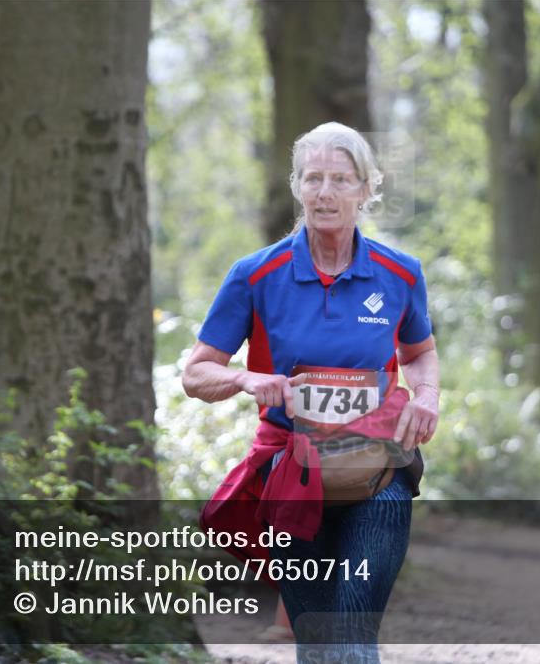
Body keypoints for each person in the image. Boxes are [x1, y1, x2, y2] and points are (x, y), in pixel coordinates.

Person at [183, 122, 439, 663]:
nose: (326, 192)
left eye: (341, 179)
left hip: (378, 468)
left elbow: (419, 355)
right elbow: (196, 373)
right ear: (297, 186)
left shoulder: (399, 273)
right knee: (317, 638)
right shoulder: (256, 274)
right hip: (290, 476)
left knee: (351, 629)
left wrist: (427, 396)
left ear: (367, 188)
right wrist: (246, 378)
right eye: (313, 178)